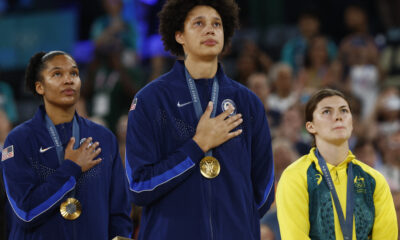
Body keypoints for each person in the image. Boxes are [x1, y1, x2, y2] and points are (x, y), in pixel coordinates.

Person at [124, 0, 275, 239]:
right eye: (199, 23)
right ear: (179, 35)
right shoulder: (151, 100)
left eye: (217, 23)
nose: (210, 29)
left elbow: (264, 189)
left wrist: (237, 225)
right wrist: (196, 146)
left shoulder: (248, 102)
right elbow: (140, 186)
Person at [1, 51, 132, 239]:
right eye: (57, 74)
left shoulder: (103, 138)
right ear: (40, 87)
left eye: (74, 74)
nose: (68, 80)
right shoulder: (19, 140)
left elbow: (119, 214)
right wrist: (72, 168)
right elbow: (26, 212)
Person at [276, 88, 398, 239]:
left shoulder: (374, 180)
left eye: (344, 111)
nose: (338, 117)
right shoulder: (295, 176)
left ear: (352, 123)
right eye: (327, 112)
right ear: (310, 126)